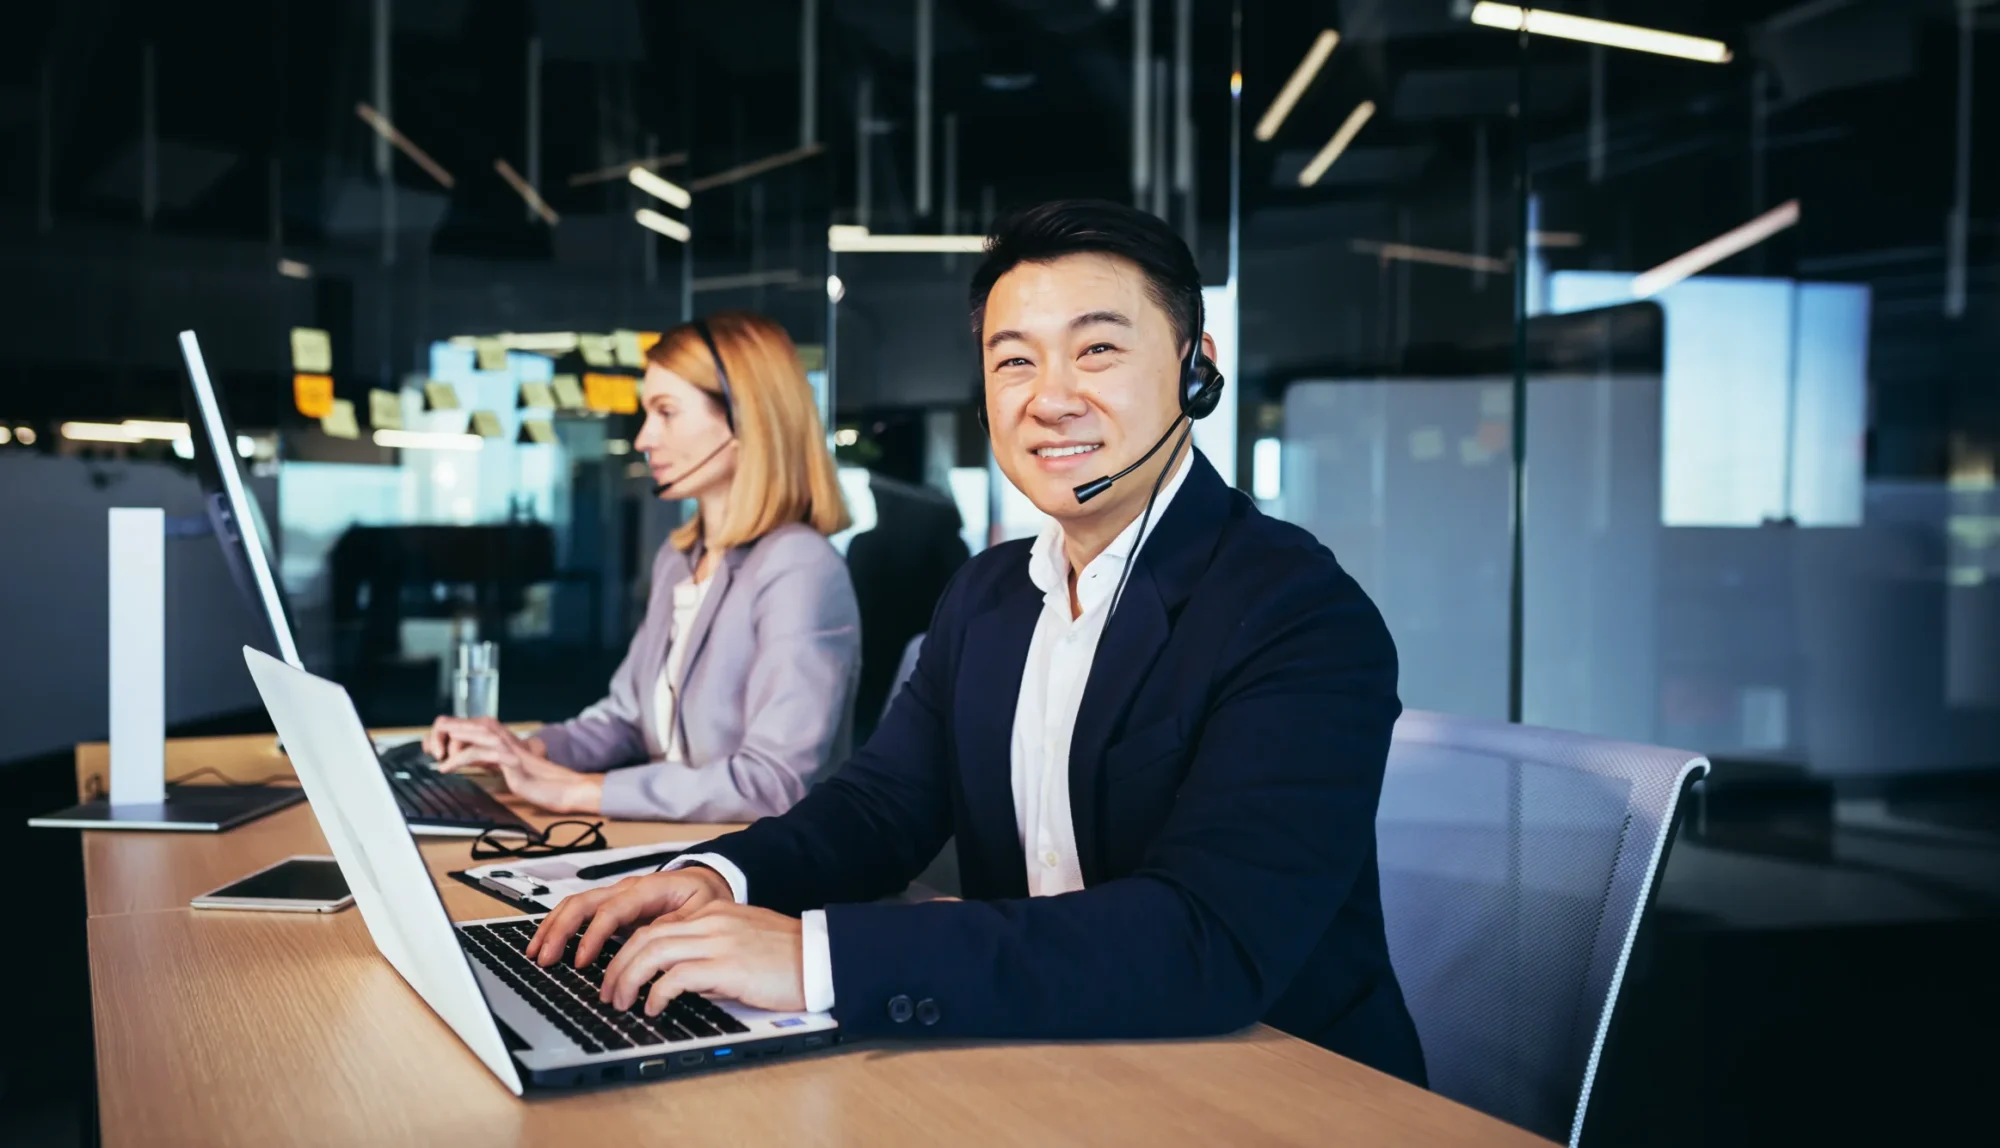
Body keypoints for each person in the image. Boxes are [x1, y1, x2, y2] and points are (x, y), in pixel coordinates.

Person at [522, 201, 1427, 1085]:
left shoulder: (1296, 613)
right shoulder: (989, 595)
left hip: (1276, 1089)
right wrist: (723, 875)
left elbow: (1206, 939)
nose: (1051, 399)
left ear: (1198, 368)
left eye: (1098, 349)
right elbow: (880, 807)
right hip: (1044, 1061)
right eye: (1014, 362)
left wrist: (817, 959)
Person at [424, 312, 860, 822]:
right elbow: (625, 720)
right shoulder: (680, 560)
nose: (643, 438)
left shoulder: (799, 567)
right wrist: (522, 752)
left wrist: (580, 793)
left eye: (666, 412)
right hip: (675, 843)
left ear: (747, 419)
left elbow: (772, 783)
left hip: (760, 868)